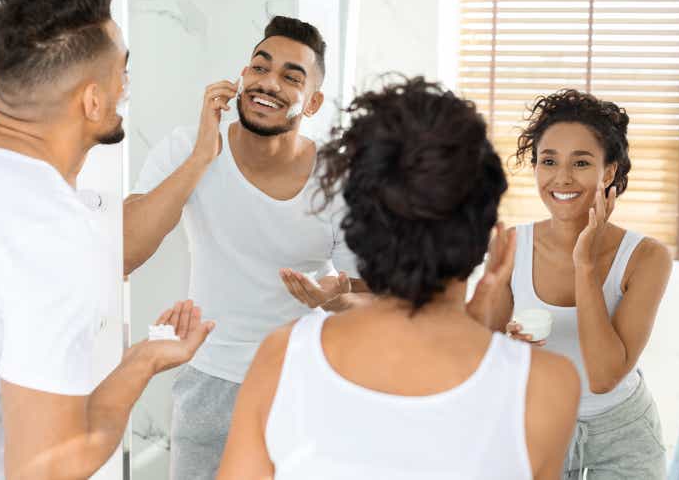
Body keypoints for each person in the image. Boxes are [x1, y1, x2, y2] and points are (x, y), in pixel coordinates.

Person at [217, 77, 581, 480]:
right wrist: (477, 325)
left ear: (358, 226)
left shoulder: (283, 357)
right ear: (496, 243)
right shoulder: (547, 386)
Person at [0, 0, 212, 478]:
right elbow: (44, 470)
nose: (126, 86)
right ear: (93, 101)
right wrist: (142, 364)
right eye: (122, 72)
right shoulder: (51, 230)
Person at [124, 16, 369, 479]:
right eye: (260, 67)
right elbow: (124, 250)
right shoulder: (187, 149)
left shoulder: (340, 178)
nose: (269, 83)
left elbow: (380, 297)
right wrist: (201, 156)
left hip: (305, 385)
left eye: (291, 77)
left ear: (313, 102)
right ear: (241, 78)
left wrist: (335, 298)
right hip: (208, 385)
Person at [491, 89, 672, 479]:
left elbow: (604, 377)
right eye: (549, 161)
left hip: (622, 438)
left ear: (608, 172)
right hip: (539, 426)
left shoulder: (647, 258)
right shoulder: (510, 246)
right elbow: (478, 355)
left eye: (582, 162)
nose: (562, 177)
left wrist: (584, 264)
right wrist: (507, 348)